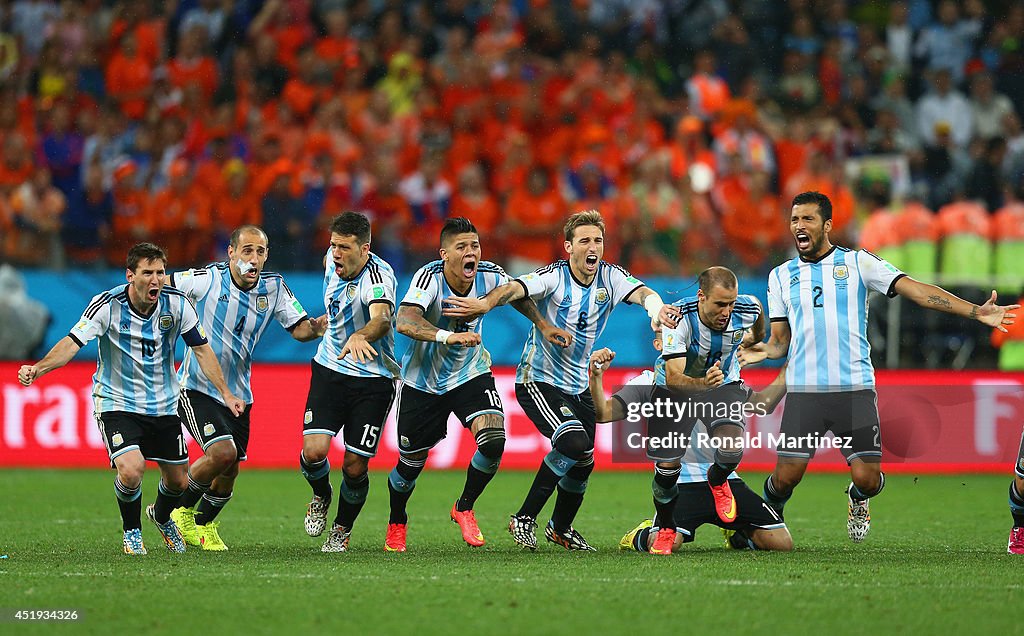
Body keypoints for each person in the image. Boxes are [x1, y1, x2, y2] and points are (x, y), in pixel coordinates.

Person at [739, 191, 1018, 542]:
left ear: (827, 225)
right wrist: (760, 351)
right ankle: (766, 518)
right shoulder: (780, 275)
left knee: (867, 479)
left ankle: (857, 499)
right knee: (786, 477)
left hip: (854, 388)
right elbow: (780, 341)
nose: (799, 226)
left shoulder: (857, 263)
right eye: (794, 220)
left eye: (807, 219)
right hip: (804, 390)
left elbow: (915, 290)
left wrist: (976, 311)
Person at [443, 210, 679, 551]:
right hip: (538, 379)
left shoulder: (611, 278)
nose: (592, 247)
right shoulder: (553, 277)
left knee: (584, 462)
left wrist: (656, 311)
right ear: (569, 247)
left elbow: (644, 294)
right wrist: (483, 305)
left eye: (597, 240)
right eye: (584, 240)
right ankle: (524, 517)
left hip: (577, 384)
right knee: (573, 444)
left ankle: (560, 527)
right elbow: (513, 289)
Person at [17, 243, 244, 555]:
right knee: (131, 468)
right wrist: (39, 368)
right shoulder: (107, 305)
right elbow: (72, 342)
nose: (156, 280)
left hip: (164, 404)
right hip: (117, 402)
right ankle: (132, 531)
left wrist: (226, 392)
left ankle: (162, 517)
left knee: (178, 482)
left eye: (160, 272)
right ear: (130, 275)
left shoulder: (178, 305)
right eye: (147, 273)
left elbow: (202, 350)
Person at [384, 217, 573, 552]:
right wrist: (448, 336)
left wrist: (543, 325)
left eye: (474, 245)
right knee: (409, 467)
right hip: (422, 381)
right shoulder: (429, 278)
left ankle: (464, 506)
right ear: (444, 253)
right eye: (462, 247)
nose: (471, 252)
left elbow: (517, 295)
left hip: (469, 374)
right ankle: (397, 520)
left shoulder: (490, 274)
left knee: (493, 441)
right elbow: (405, 320)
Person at [167, 226, 327, 551]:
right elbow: (161, 284)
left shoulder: (274, 287)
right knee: (222, 453)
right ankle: (176, 510)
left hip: (239, 393)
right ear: (231, 253)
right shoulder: (207, 279)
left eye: (261, 251)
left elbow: (298, 330)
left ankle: (203, 524)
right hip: (196, 385)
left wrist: (317, 328)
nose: (254, 258)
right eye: (247, 250)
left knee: (230, 469)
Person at [586, 345, 791, 553]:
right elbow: (603, 414)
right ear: (658, 345)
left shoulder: (718, 379)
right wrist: (596, 376)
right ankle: (642, 533)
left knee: (781, 543)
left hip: (725, 485)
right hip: (682, 485)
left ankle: (737, 534)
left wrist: (790, 366)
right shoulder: (648, 383)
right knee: (668, 545)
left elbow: (763, 404)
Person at [300, 212, 399, 553]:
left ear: (365, 249)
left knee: (355, 466)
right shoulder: (331, 261)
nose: (336, 253)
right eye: (333, 245)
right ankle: (321, 494)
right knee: (314, 452)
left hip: (373, 379)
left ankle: (341, 529)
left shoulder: (378, 278)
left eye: (344, 247)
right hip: (330, 367)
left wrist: (360, 334)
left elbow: (383, 319)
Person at [646, 266, 763, 553]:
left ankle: (717, 480)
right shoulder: (677, 320)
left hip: (722, 383)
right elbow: (674, 377)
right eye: (720, 304)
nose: (727, 311)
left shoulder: (745, 309)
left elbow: (758, 314)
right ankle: (664, 526)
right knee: (667, 468)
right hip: (676, 388)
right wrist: (702, 383)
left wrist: (753, 340)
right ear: (701, 296)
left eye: (732, 303)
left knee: (732, 448)